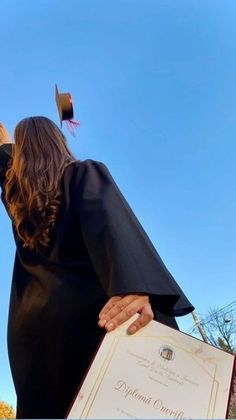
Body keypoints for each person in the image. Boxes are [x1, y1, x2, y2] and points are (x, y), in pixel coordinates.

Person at [0, 118, 194, 419]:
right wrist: (136, 284)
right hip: (93, 322)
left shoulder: (18, 208)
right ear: (57, 143)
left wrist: (5, 145)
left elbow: (5, 170)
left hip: (38, 344)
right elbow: (110, 223)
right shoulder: (82, 174)